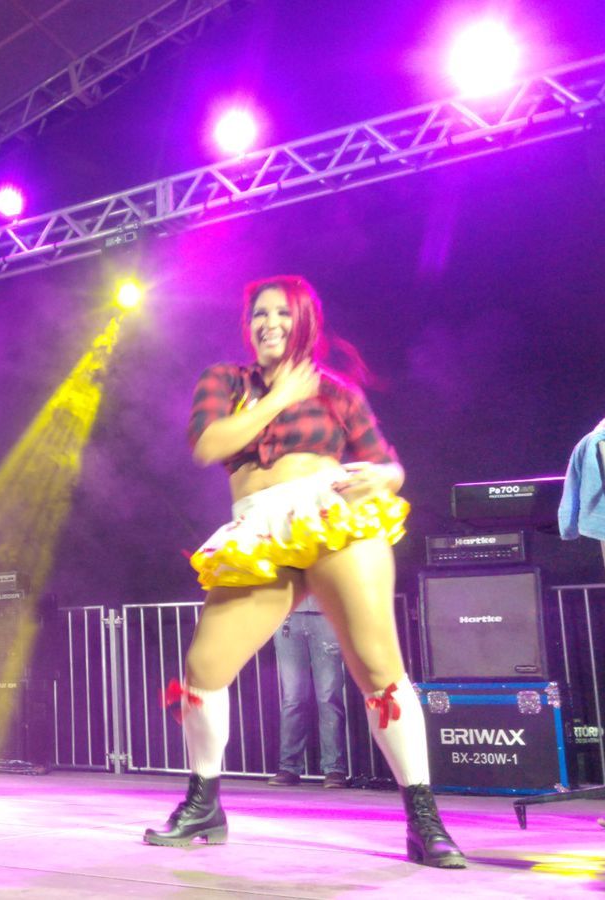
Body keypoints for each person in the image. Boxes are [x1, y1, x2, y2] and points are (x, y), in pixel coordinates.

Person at [145, 275, 465, 869]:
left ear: (305, 321)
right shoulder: (226, 380)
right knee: (202, 670)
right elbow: (208, 445)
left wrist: (385, 477)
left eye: (282, 313)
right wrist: (276, 399)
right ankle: (204, 805)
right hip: (257, 528)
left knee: (377, 665)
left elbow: (387, 465)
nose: (269, 323)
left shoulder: (336, 390)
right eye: (259, 314)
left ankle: (425, 819)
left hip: (329, 514)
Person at [266, 595, 349, 789]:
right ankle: (289, 767)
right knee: (293, 696)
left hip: (327, 612)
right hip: (287, 614)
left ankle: (334, 768)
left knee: (329, 696)